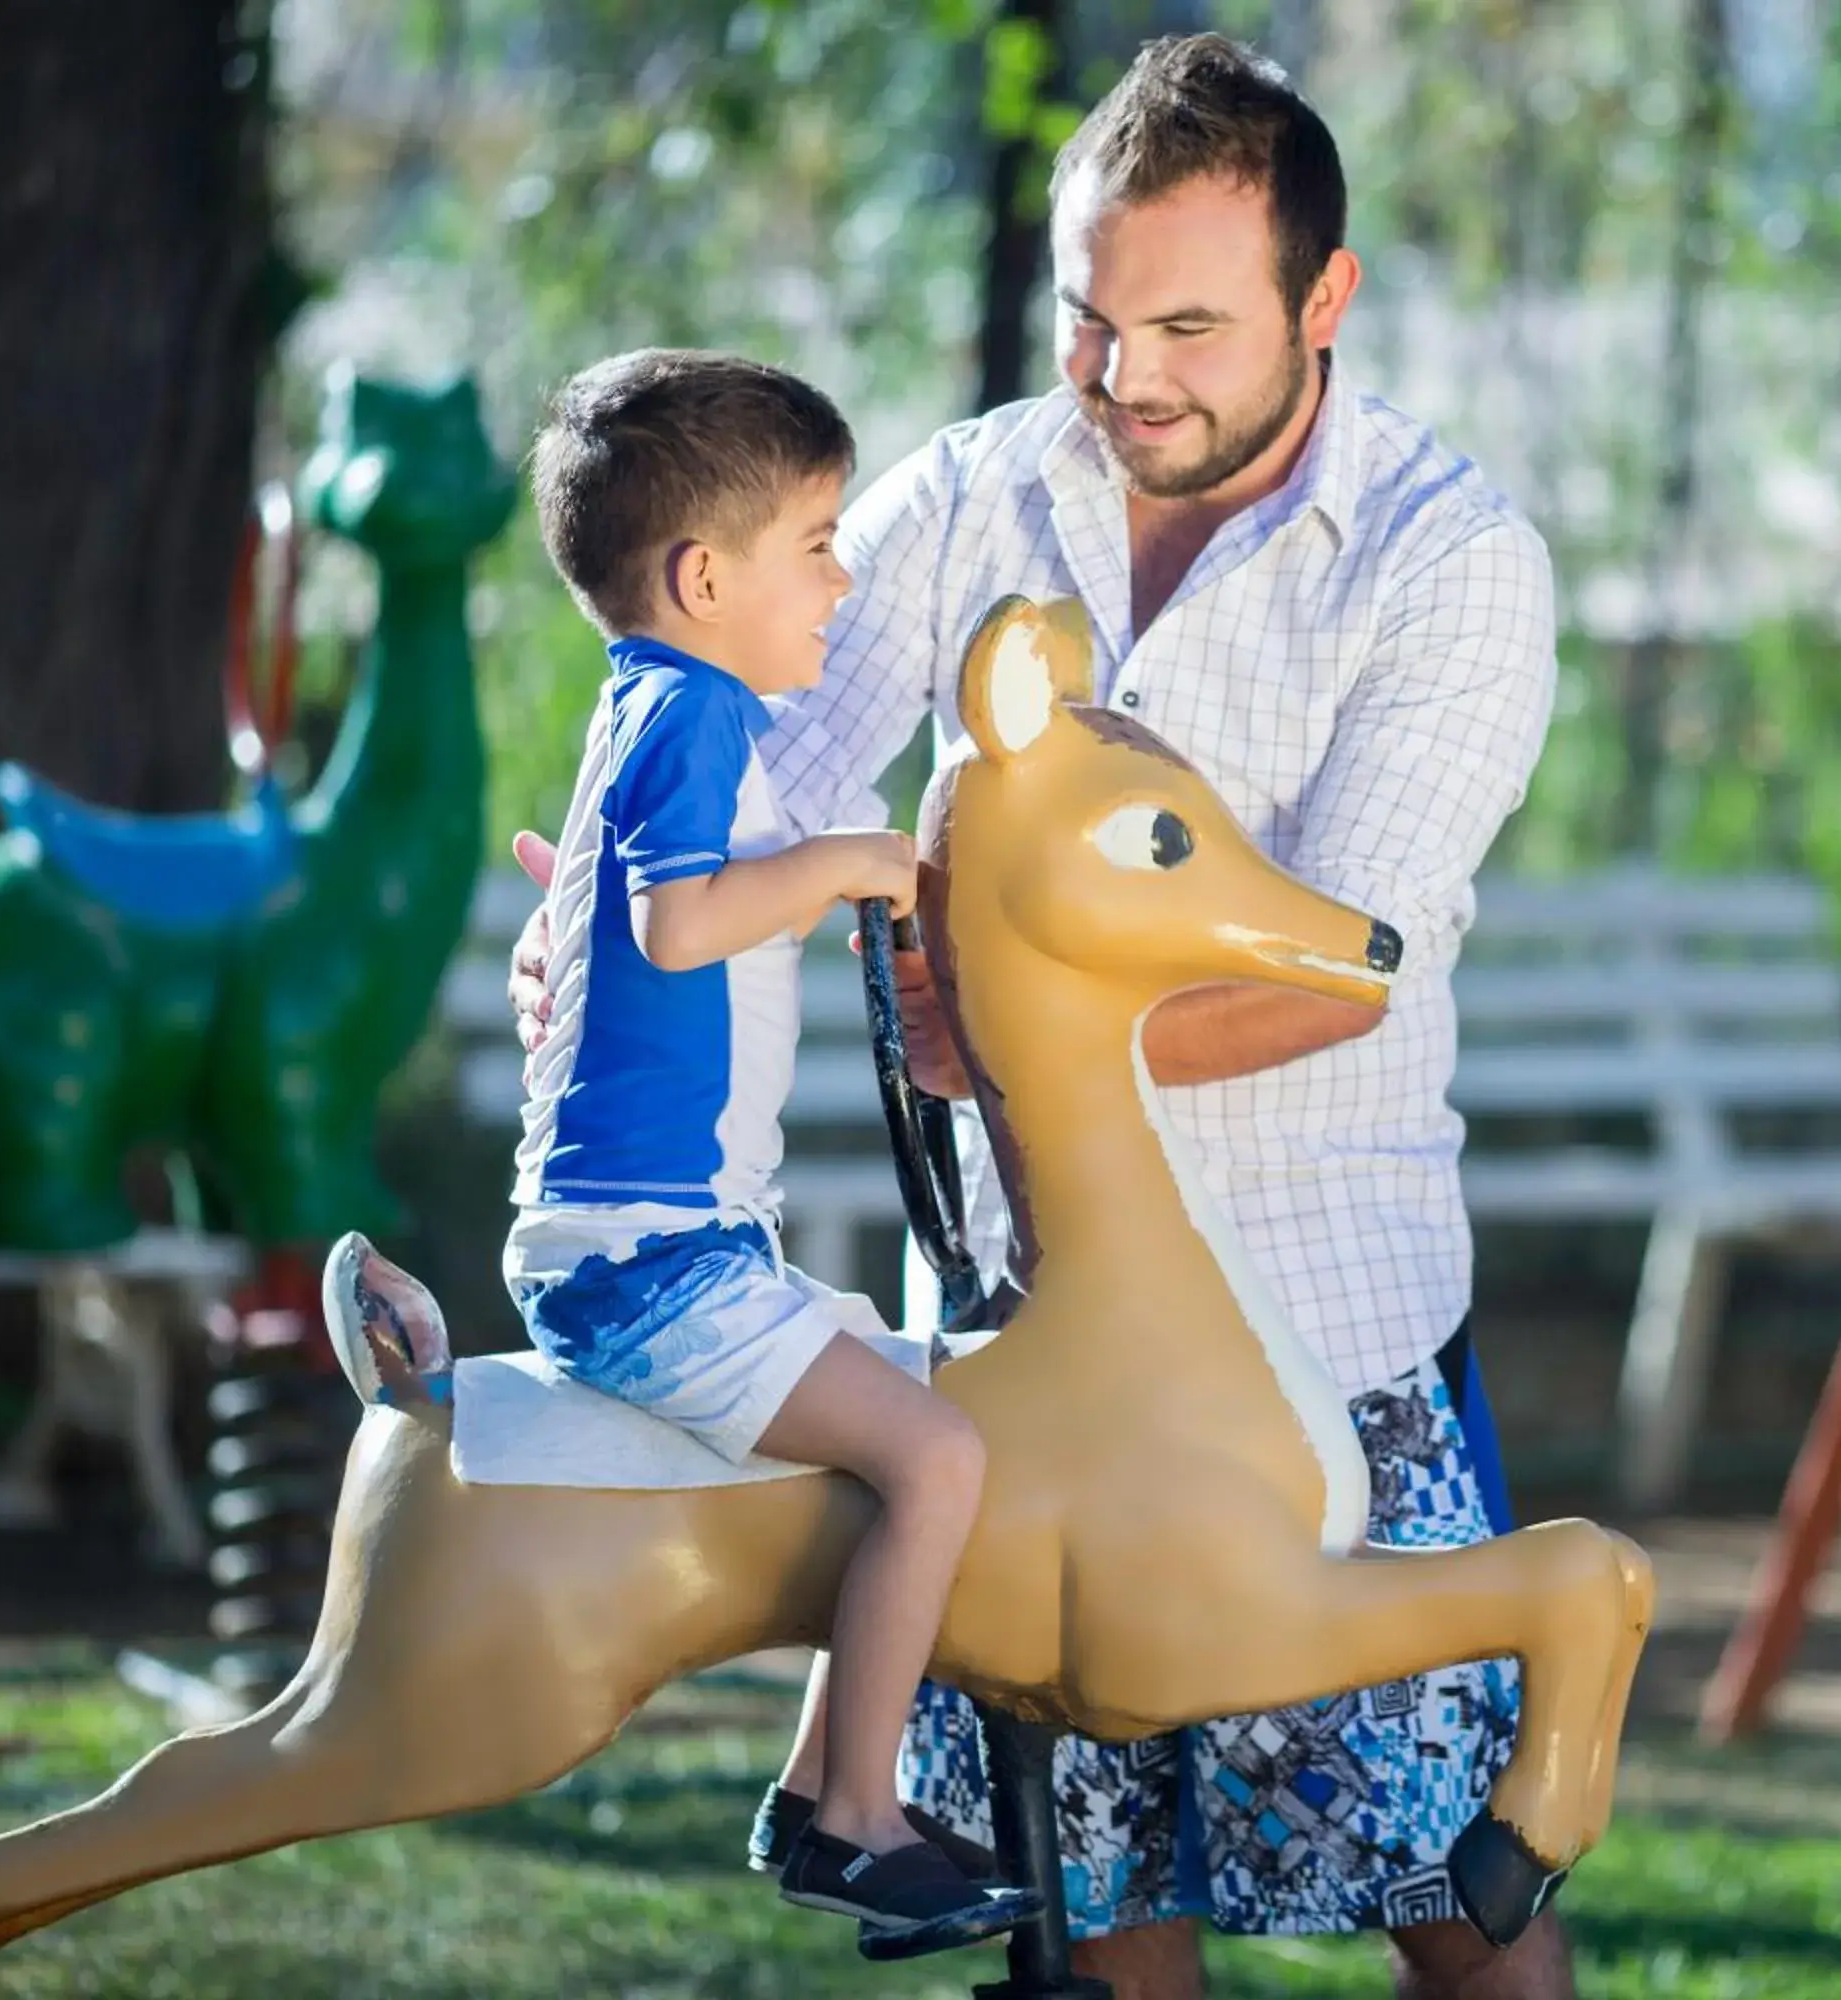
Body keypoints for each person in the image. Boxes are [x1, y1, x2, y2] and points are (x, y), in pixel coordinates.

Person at [511, 37, 1572, 2000]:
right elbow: (772, 792)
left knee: (1453, 1895)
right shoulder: (980, 488)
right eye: (1094, 316)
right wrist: (606, 940)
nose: (1125, 373)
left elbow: (1350, 959)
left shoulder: (1452, 561)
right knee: (1090, 1922)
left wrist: (1008, 1049)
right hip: (1007, 1334)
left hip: (1320, 1332)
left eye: (1187, 322)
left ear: (1322, 301)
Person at [505, 348, 1041, 1955]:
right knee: (940, 1458)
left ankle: (823, 1793)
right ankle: (860, 1820)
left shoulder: (662, 709)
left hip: (669, 1245)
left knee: (922, 1409)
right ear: (702, 575)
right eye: (815, 543)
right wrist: (855, 861)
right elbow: (678, 924)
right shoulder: (689, 715)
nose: (845, 571)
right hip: (647, 1260)